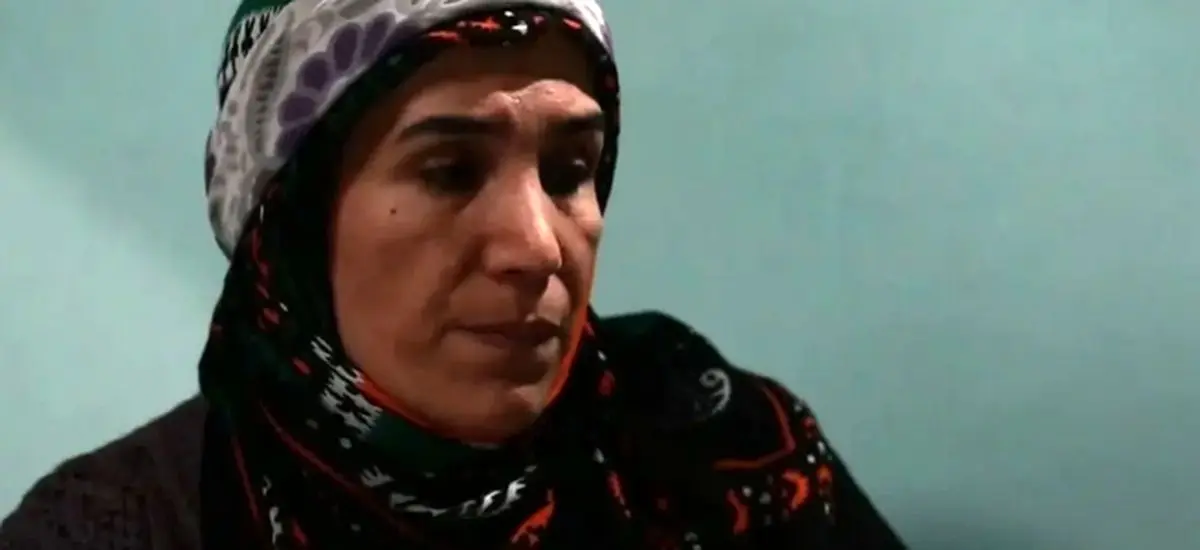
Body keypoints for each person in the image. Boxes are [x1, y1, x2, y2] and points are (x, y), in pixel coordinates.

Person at [0, 0, 907, 548]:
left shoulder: (720, 446)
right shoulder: (119, 528)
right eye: (447, 171)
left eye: (571, 171)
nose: (537, 248)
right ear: (292, 221)